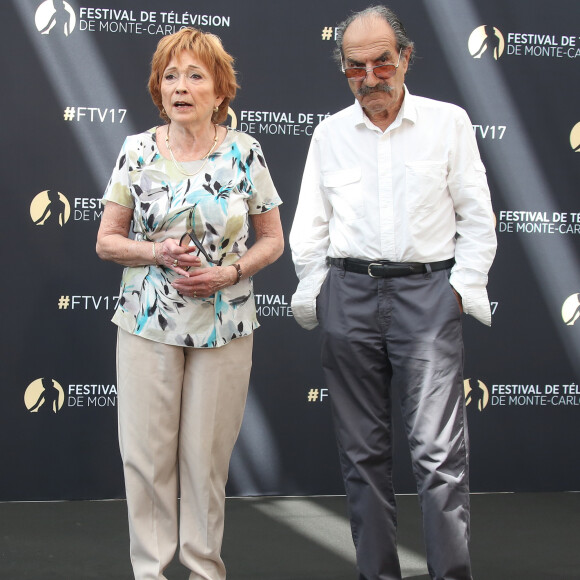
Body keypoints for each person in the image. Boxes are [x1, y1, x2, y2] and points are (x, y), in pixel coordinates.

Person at [290, 6, 496, 580]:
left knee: (437, 457)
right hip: (348, 296)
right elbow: (309, 227)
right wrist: (322, 293)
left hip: (427, 297)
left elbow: (478, 219)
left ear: (405, 58)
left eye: (383, 60)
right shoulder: (329, 134)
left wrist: (457, 291)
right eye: (357, 66)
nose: (372, 75)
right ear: (346, 71)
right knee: (362, 458)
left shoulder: (448, 123)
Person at [96, 27, 283, 580]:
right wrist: (154, 251)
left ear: (219, 89)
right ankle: (150, 572)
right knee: (147, 461)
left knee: (205, 463)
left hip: (224, 325)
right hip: (146, 322)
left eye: (195, 76)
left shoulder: (246, 151)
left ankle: (204, 570)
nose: (181, 86)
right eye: (170, 76)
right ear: (159, 89)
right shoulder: (136, 150)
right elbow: (107, 239)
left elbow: (272, 239)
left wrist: (229, 271)